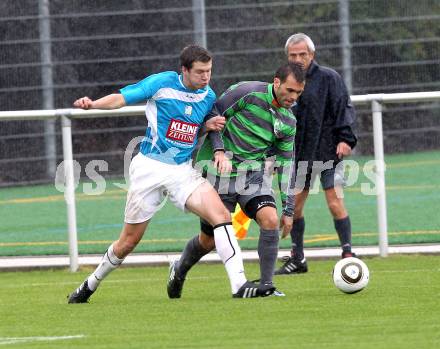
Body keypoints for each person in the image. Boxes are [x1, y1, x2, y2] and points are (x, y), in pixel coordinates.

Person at [67, 45, 275, 303]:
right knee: (128, 242)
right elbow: (122, 97)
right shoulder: (162, 83)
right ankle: (89, 285)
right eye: (200, 72)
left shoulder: (208, 96)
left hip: (181, 170)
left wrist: (207, 128)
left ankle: (239, 285)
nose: (206, 77)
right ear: (184, 70)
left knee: (221, 215)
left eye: (209, 71)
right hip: (149, 168)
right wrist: (93, 105)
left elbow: (195, 131)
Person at [167, 62, 306, 298]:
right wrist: (219, 151)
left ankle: (266, 286)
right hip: (217, 173)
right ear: (276, 82)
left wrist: (289, 210)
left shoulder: (289, 121)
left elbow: (286, 165)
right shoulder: (247, 92)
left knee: (270, 219)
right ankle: (179, 270)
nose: (293, 97)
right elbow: (214, 114)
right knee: (208, 241)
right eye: (290, 90)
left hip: (253, 176)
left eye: (299, 93)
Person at [275, 33, 358, 275]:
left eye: (303, 54)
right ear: (287, 56)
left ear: (312, 55)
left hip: (329, 153)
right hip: (300, 155)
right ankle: (298, 258)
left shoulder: (329, 78)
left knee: (335, 201)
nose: (298, 58)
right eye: (293, 55)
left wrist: (346, 139)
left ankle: (348, 253)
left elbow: (344, 107)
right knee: (294, 208)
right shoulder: (284, 81)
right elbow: (277, 117)